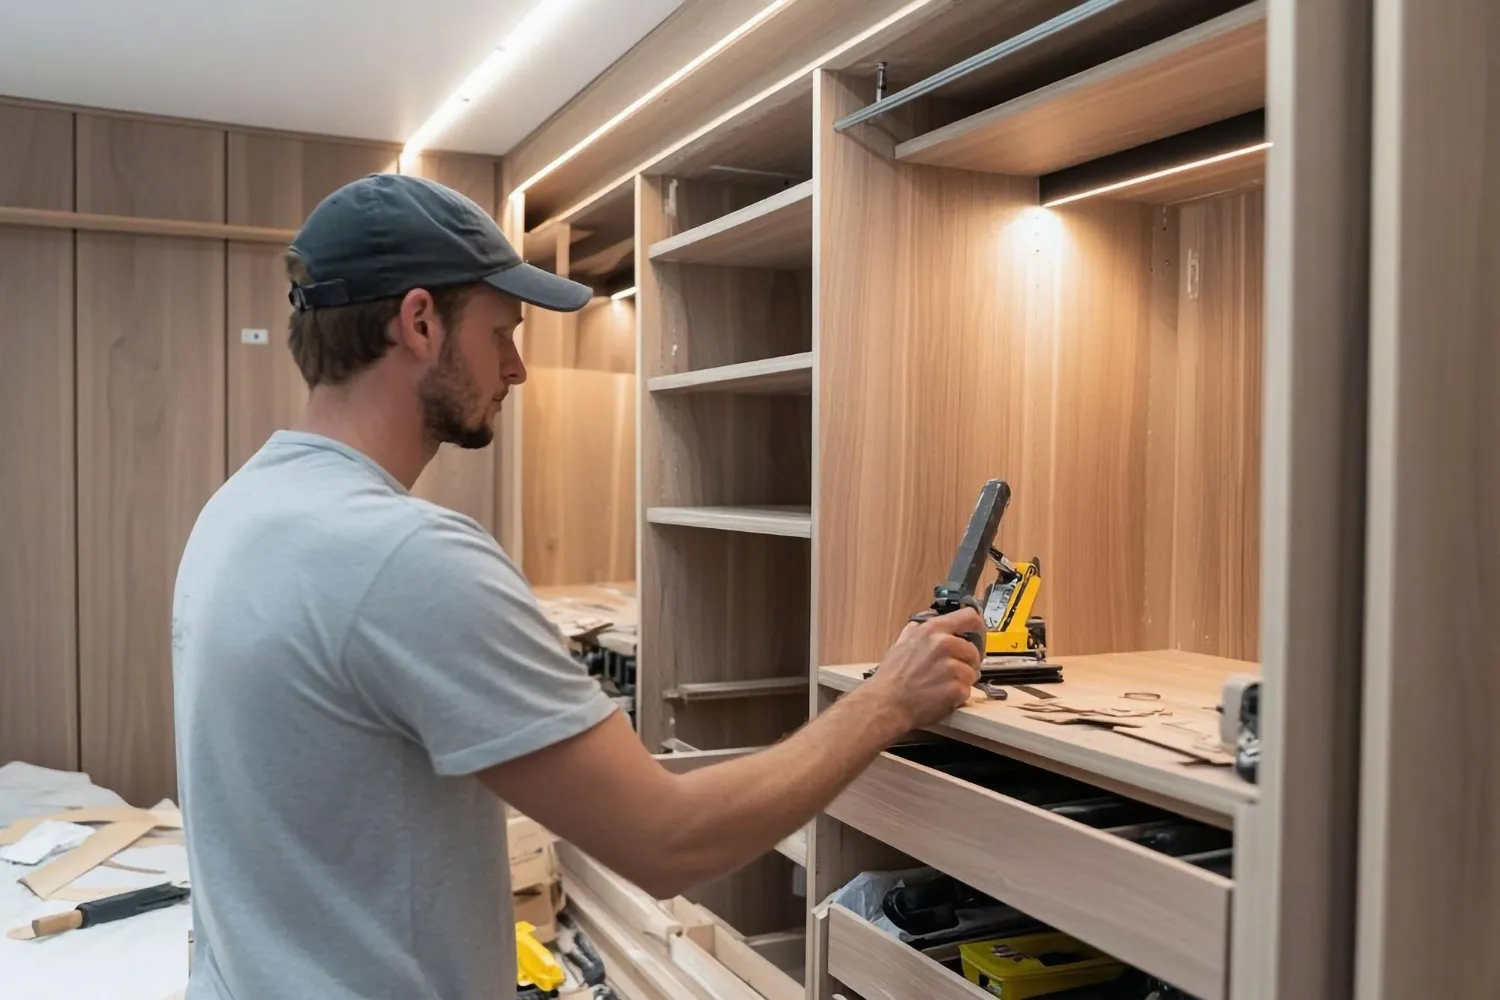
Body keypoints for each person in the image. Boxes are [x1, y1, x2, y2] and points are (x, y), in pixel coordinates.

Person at [171, 173, 983, 1000]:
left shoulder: (238, 512)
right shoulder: (403, 555)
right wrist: (888, 700)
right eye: (501, 333)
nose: (516, 369)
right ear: (419, 322)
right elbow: (668, 844)